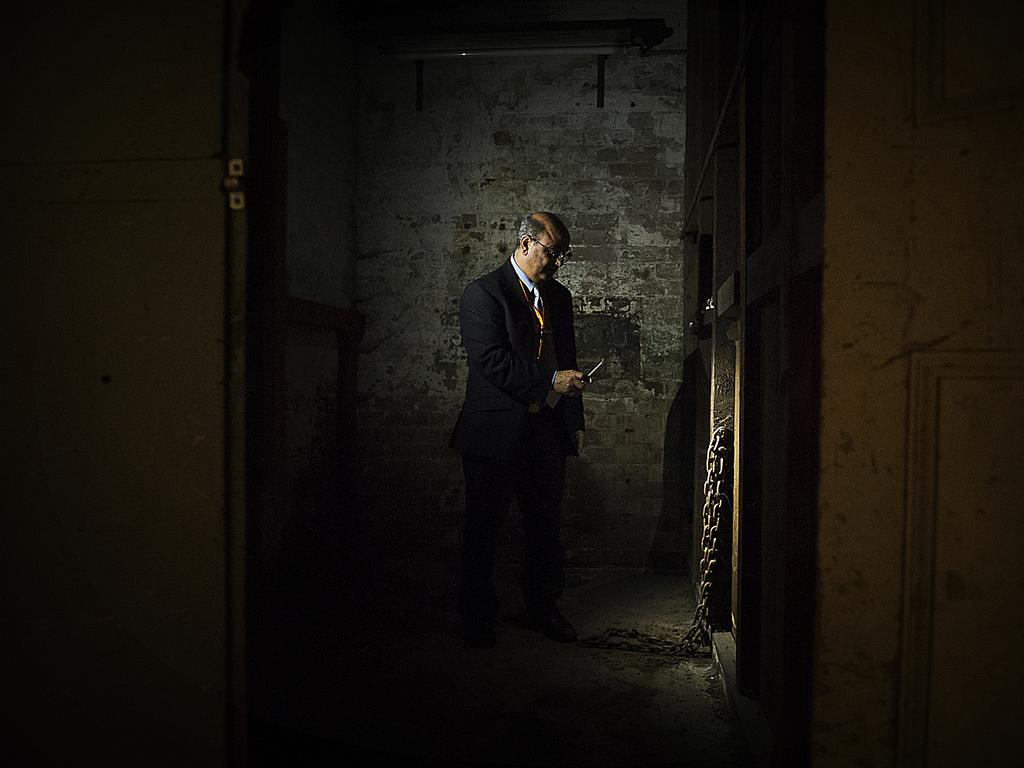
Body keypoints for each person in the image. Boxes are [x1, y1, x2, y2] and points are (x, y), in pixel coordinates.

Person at [450, 211, 587, 649]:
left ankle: (543, 607)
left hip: (546, 433)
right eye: (553, 253)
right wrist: (549, 381)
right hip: (494, 435)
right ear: (526, 244)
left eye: (563, 255)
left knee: (545, 529)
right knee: (483, 529)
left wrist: (574, 420)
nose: (558, 263)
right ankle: (476, 615)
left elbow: (568, 359)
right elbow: (489, 361)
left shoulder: (559, 298)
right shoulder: (483, 294)